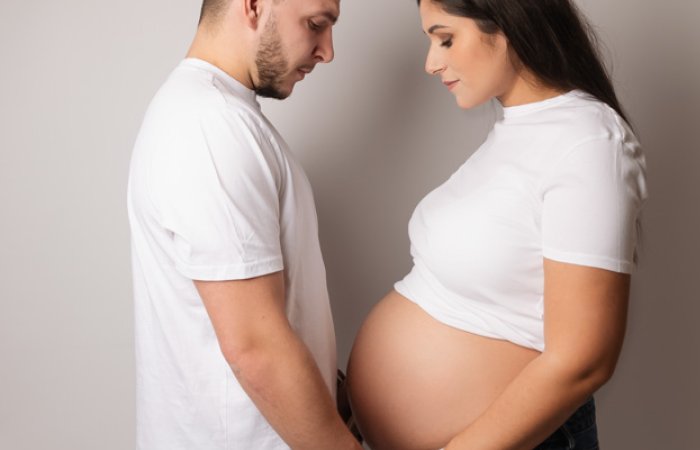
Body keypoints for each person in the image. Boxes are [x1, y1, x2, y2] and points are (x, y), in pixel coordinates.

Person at [347, 0, 648, 449]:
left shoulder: (587, 141)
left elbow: (584, 359)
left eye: (445, 38)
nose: (431, 63)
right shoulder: (521, 128)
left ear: (509, 23)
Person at [127, 0, 362, 448]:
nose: (327, 51)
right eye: (316, 24)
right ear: (253, 6)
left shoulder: (212, 116)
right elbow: (256, 348)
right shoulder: (211, 127)